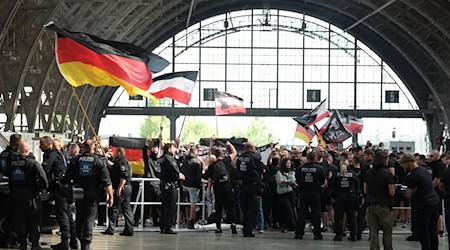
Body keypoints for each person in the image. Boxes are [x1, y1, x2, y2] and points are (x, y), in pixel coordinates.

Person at [63, 139, 113, 250]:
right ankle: (86, 244)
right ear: (93, 147)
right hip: (93, 195)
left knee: (79, 217)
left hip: (78, 194)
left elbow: (66, 179)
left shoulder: (76, 160)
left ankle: (81, 239)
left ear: (83, 148)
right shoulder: (98, 161)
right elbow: (106, 181)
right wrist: (111, 196)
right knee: (89, 219)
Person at [6, 141, 48, 250]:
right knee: (34, 220)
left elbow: (10, 180)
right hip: (31, 196)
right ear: (27, 150)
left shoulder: (13, 164)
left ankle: (22, 244)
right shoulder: (33, 163)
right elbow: (43, 179)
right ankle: (34, 244)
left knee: (20, 220)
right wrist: (40, 189)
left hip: (17, 195)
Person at [400, 154, 439, 250]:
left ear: (409, 163)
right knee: (432, 230)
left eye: (403, 165)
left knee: (423, 231)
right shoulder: (424, 171)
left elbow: (409, 194)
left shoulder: (412, 176)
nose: (403, 167)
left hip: (423, 205)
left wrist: (410, 192)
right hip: (434, 201)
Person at [40, 136, 72, 250]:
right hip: (63, 188)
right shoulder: (59, 154)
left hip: (59, 188)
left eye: (42, 144)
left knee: (62, 215)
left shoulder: (52, 155)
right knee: (67, 214)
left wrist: (43, 185)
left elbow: (46, 170)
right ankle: (72, 241)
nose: (39, 147)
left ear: (49, 144)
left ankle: (65, 242)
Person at [364, 151, 395, 250]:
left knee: (373, 231)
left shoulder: (368, 173)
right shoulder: (387, 174)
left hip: (371, 204)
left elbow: (365, 189)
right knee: (387, 230)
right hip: (383, 205)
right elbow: (392, 192)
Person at [207, 142, 238, 234]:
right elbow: (234, 153)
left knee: (218, 207)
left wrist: (209, 191)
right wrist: (229, 144)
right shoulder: (226, 161)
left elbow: (209, 180)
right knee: (231, 206)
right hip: (227, 187)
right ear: (222, 154)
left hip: (218, 188)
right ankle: (233, 223)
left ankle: (218, 227)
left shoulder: (212, 166)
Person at [102, 147, 134, 236]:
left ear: (119, 153)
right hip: (127, 188)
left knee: (114, 208)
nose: (114, 154)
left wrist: (119, 188)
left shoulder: (122, 161)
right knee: (126, 209)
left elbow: (124, 175)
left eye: (116, 152)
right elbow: (116, 169)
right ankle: (129, 229)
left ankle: (111, 228)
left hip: (123, 187)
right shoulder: (120, 162)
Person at [294, 151, 325, 240]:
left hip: (303, 192)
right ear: (315, 158)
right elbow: (322, 180)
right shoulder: (319, 168)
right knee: (316, 213)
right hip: (315, 192)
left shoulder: (300, 168)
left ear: (307, 158)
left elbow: (297, 179)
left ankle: (299, 233)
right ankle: (317, 233)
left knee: (302, 214)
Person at [237, 142, 264, 237]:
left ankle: (245, 229)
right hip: (252, 186)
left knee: (244, 209)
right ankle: (249, 230)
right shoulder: (254, 158)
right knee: (252, 209)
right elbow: (260, 170)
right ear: (250, 148)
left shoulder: (240, 158)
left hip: (243, 186)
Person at [0, 133, 21, 248]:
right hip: (15, 188)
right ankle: (13, 239)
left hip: (3, 188)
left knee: (5, 214)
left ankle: (5, 239)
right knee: (15, 215)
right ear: (17, 143)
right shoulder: (16, 156)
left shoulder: (2, 154)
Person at [159, 143, 185, 234]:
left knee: (164, 206)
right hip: (171, 185)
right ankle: (168, 226)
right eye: (173, 148)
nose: (175, 149)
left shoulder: (163, 158)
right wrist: (179, 175)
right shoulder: (169, 159)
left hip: (165, 185)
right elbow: (174, 170)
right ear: (169, 149)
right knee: (170, 206)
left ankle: (163, 225)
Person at [330, 162, 359, 241]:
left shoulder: (336, 175)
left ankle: (338, 235)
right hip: (351, 197)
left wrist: (332, 196)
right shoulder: (353, 174)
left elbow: (331, 185)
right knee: (351, 217)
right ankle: (353, 235)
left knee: (339, 217)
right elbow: (357, 186)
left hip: (339, 197)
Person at [181, 146, 203, 229]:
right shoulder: (197, 162)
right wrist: (199, 184)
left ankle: (187, 219)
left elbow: (182, 171)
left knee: (186, 203)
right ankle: (191, 220)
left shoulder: (185, 161)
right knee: (193, 203)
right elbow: (199, 175)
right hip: (194, 185)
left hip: (185, 184)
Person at [275, 158, 296, 233]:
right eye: (287, 163)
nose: (288, 164)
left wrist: (285, 181)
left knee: (292, 209)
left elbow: (293, 180)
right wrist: (288, 181)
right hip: (282, 194)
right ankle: (286, 225)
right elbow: (279, 181)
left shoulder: (292, 172)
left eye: (289, 163)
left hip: (290, 193)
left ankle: (292, 225)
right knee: (286, 209)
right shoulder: (279, 173)